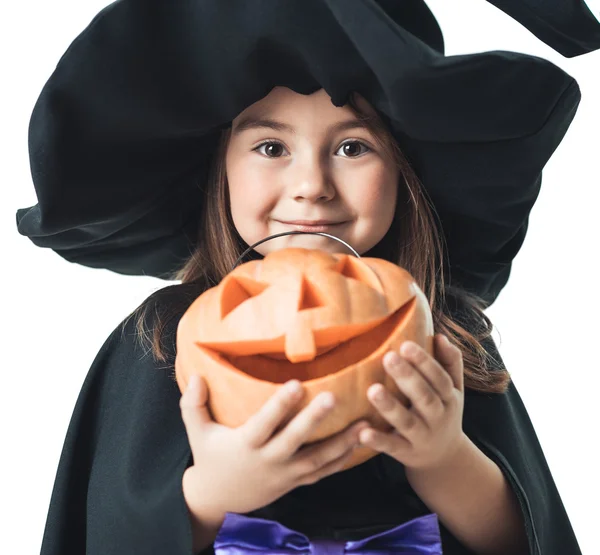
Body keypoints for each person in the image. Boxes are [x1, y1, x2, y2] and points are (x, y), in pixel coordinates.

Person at [15, 1, 600, 554]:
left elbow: (524, 536)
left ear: (404, 173)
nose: (311, 184)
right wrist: (217, 493)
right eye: (271, 146)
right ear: (220, 170)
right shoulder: (163, 336)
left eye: (352, 147)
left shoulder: (446, 330)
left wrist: (444, 458)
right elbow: (106, 530)